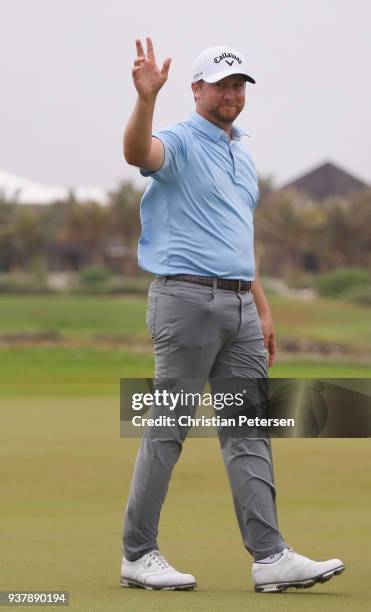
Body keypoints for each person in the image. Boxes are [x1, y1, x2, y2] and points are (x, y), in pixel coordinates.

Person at [120, 37, 345, 592]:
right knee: (169, 428)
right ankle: (138, 553)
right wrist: (146, 98)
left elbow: (237, 241)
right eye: (221, 84)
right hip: (185, 302)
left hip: (241, 308)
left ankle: (270, 557)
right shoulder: (178, 140)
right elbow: (137, 154)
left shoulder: (240, 154)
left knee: (249, 431)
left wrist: (262, 309)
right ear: (196, 89)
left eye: (239, 84)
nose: (231, 93)